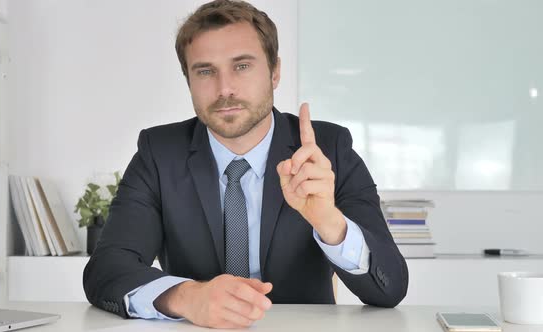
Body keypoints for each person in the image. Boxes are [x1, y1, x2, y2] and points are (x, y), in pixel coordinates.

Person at [83, 0, 408, 329]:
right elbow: (106, 268)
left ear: (275, 71)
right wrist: (186, 297)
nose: (224, 89)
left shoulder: (329, 150)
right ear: (189, 81)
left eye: (242, 66)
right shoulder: (159, 153)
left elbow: (390, 287)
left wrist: (330, 222)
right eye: (206, 71)